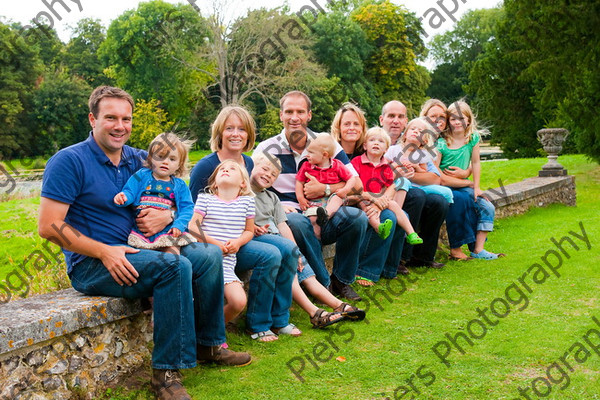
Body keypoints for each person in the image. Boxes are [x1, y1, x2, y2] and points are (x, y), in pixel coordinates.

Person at [38, 86, 250, 400]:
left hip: (144, 246)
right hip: (95, 262)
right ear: (92, 118)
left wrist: (167, 218)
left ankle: (209, 344)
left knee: (207, 255)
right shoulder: (69, 161)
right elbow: (49, 226)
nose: (120, 125)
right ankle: (165, 375)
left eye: (126, 118)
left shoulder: (140, 159)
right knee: (174, 266)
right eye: (110, 117)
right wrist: (103, 250)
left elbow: (179, 198)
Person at [188, 105, 298, 341]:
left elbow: (243, 203)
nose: (236, 134)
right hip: (212, 242)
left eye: (241, 129)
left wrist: (253, 228)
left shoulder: (248, 164)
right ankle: (257, 324)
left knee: (288, 248)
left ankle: (279, 319)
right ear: (220, 132)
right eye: (229, 128)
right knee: (269, 255)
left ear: (249, 134)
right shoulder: (206, 167)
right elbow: (192, 213)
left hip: (241, 236)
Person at [254, 91, 368, 301]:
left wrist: (324, 189)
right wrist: (277, 207)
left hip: (326, 210)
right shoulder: (266, 148)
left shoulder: (326, 144)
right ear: (281, 115)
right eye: (289, 112)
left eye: (300, 112)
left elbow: (357, 185)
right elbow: (253, 187)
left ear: (309, 115)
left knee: (357, 218)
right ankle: (323, 284)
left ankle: (342, 281)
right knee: (297, 222)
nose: (294, 117)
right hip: (291, 214)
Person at [251, 153, 366, 327]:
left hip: (282, 243)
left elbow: (283, 227)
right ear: (251, 167)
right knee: (293, 277)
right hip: (264, 243)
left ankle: (338, 305)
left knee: (308, 276)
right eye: (265, 169)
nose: (268, 175)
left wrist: (295, 252)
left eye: (273, 174)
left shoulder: (272, 198)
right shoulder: (243, 194)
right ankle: (314, 313)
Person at [331, 103, 406, 284]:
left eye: (356, 124)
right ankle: (362, 268)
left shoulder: (365, 150)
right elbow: (336, 184)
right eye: (347, 124)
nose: (351, 128)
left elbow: (391, 177)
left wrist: (381, 200)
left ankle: (380, 268)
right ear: (338, 127)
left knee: (392, 216)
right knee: (369, 216)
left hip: (370, 200)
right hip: (345, 202)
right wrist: (370, 198)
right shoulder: (332, 152)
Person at [380, 100, 448, 273]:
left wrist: (413, 173)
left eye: (400, 117)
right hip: (388, 188)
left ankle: (424, 256)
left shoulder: (419, 148)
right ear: (382, 119)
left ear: (405, 122)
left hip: (412, 184)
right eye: (391, 116)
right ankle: (402, 256)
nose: (396, 120)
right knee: (417, 196)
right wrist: (399, 173)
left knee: (439, 202)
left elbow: (434, 178)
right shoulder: (378, 141)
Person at [189, 160, 255, 335]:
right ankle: (207, 335)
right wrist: (215, 244)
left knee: (239, 301)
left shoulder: (247, 202)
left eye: (232, 169)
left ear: (243, 183)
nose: (226, 170)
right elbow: (193, 227)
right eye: (221, 170)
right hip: (205, 260)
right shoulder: (206, 199)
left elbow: (249, 231)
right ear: (214, 183)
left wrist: (238, 242)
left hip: (226, 264)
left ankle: (208, 331)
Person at [436, 101, 505, 260]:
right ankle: (458, 247)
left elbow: (475, 163)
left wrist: (476, 187)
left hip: (465, 184)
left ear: (468, 120)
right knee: (461, 203)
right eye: (453, 119)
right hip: (448, 186)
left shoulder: (472, 139)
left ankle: (478, 249)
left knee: (487, 206)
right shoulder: (442, 142)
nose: (457, 122)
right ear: (448, 121)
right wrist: (462, 181)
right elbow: (436, 169)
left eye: (461, 118)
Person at [114, 132, 196, 255]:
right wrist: (124, 197)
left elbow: (187, 208)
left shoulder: (179, 185)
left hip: (168, 230)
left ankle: (174, 269)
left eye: (172, 159)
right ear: (151, 158)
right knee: (142, 254)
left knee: (173, 254)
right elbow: (130, 190)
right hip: (141, 231)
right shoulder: (141, 175)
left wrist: (179, 224)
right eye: (161, 156)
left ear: (179, 164)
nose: (166, 162)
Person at [295, 135, 359, 239]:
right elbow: (299, 182)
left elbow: (351, 179)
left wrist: (345, 190)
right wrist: (300, 198)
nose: (307, 155)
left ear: (324, 154)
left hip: (332, 199)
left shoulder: (337, 165)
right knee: (313, 220)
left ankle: (325, 215)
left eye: (311, 152)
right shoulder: (306, 166)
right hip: (314, 203)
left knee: (337, 197)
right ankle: (317, 240)